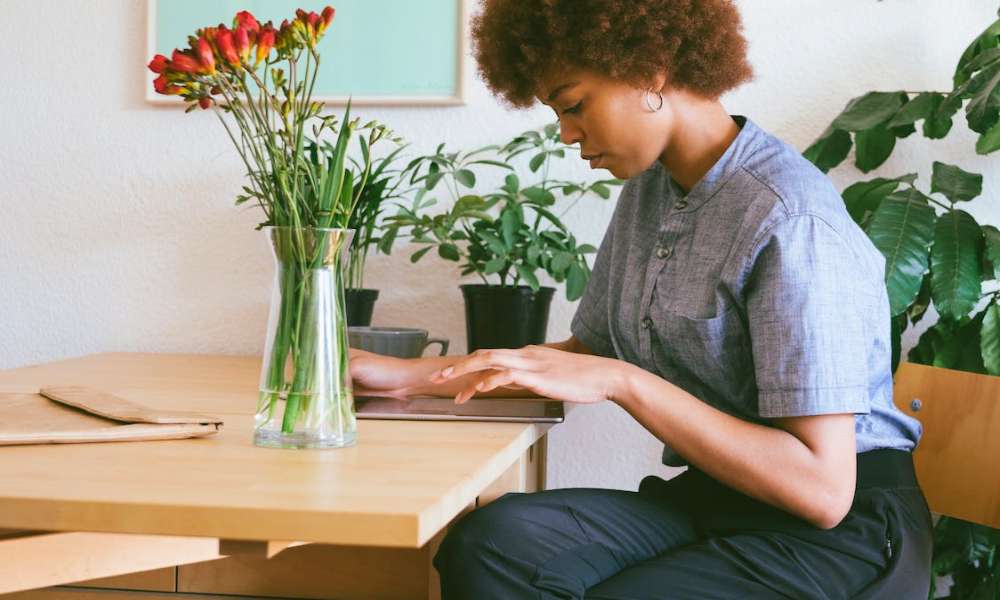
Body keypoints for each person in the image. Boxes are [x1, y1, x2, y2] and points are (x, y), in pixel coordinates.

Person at [349, 0, 934, 597]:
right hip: (716, 501)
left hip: (842, 537)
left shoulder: (789, 218)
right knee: (493, 546)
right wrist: (398, 377)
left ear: (650, 70)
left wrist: (623, 381)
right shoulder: (652, 192)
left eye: (574, 105)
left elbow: (822, 491)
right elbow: (579, 358)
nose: (567, 134)